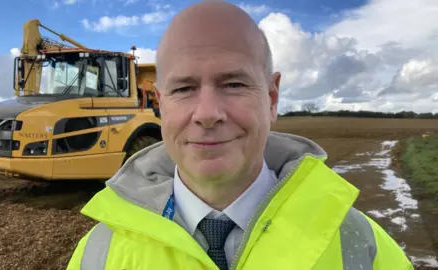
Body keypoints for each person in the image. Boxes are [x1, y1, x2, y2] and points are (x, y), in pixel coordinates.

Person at [66, 1, 414, 269]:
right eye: (184, 88)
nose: (206, 114)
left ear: (272, 98)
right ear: (160, 105)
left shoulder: (361, 248)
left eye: (233, 84)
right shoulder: (96, 255)